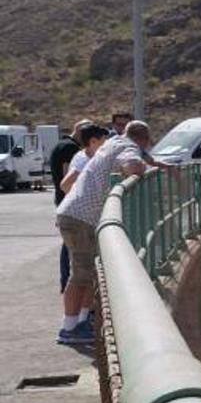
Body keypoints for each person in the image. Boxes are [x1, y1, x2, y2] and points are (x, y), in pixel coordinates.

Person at [53, 122, 151, 345]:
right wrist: (142, 166)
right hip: (80, 218)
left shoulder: (113, 142)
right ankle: (68, 328)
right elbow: (132, 167)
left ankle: (79, 322)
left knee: (87, 273)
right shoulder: (128, 146)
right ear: (142, 140)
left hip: (79, 216)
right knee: (80, 273)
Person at [49, 121, 88, 294]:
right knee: (71, 246)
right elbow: (67, 177)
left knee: (68, 244)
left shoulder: (60, 145)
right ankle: (67, 283)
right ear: (79, 131)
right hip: (68, 200)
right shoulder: (70, 148)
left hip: (61, 199)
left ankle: (66, 282)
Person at [59, 125, 111, 197]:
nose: (106, 144)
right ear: (93, 141)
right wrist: (83, 199)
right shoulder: (83, 160)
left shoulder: (88, 157)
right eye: (103, 141)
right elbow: (65, 185)